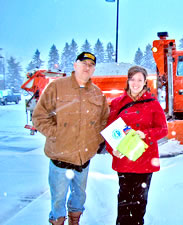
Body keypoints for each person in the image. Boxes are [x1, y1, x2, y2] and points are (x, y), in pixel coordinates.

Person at [32, 52, 109, 225]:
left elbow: (103, 120)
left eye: (91, 65)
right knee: (58, 199)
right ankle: (58, 221)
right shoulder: (57, 87)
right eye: (83, 63)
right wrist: (56, 134)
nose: (87, 67)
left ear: (94, 69)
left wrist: (95, 140)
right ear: (75, 65)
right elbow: (39, 116)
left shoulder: (97, 93)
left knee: (79, 198)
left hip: (84, 160)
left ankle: (75, 221)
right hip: (60, 158)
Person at [105, 65, 168, 225]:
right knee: (124, 202)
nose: (135, 83)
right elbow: (110, 130)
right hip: (124, 160)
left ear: (145, 82)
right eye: (133, 79)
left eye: (139, 80)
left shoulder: (153, 103)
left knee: (140, 204)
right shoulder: (118, 103)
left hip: (144, 160)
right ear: (128, 81)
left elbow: (163, 129)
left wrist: (145, 134)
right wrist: (113, 150)